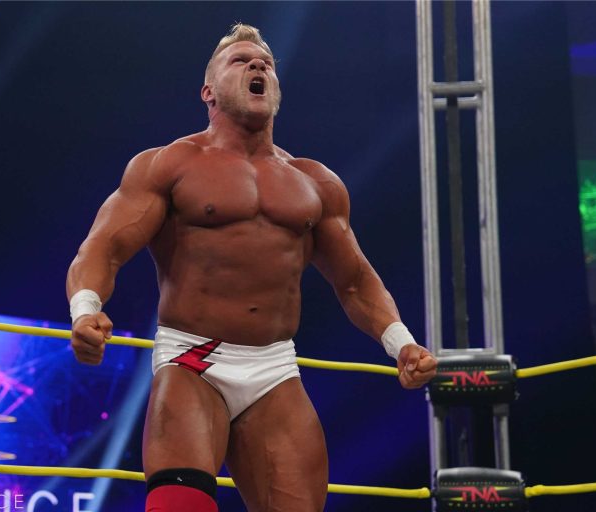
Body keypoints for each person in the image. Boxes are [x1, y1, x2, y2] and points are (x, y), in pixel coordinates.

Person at [66, 23, 438, 512]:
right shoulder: (168, 165)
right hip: (192, 357)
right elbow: (103, 248)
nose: (258, 65)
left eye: (265, 63)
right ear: (208, 91)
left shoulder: (315, 183)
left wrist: (401, 343)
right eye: (240, 61)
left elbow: (354, 281)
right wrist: (85, 310)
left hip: (274, 368)